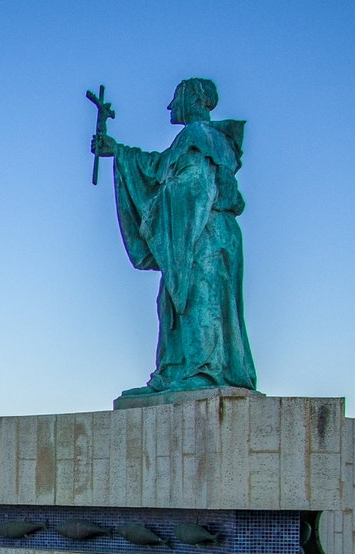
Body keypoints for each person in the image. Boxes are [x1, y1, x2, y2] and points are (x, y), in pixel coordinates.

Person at [93, 78, 257, 396]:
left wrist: (168, 204)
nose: (170, 106)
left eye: (176, 98)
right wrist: (117, 152)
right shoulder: (193, 140)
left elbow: (197, 182)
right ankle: (180, 369)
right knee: (173, 303)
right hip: (197, 232)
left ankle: (204, 370)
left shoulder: (200, 136)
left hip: (203, 233)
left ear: (194, 99)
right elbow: (159, 168)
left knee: (201, 299)